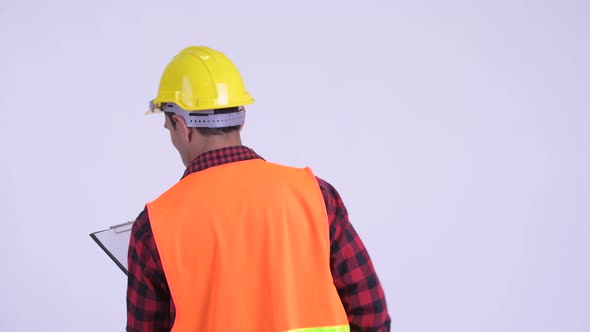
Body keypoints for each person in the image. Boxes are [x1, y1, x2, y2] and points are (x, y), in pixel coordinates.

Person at [126, 46, 391, 332]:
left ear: (181, 125)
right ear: (241, 117)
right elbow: (371, 312)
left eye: (168, 129)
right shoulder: (314, 196)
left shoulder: (154, 226)